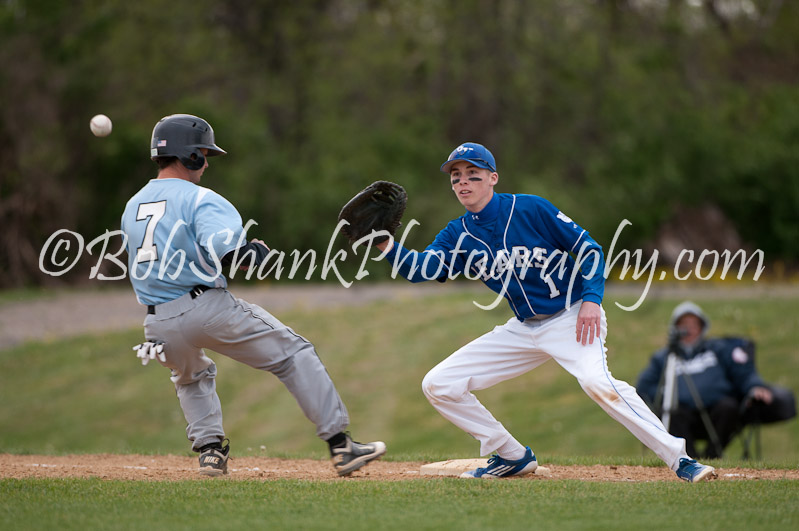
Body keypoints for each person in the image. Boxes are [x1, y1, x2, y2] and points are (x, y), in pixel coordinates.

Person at [373, 142, 714, 482]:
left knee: (598, 383)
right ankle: (511, 455)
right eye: (456, 177)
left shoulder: (530, 209)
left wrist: (592, 300)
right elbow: (422, 269)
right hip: (524, 329)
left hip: (572, 317)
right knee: (439, 384)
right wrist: (385, 242)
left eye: (472, 175)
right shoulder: (458, 233)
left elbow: (588, 249)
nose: (463, 183)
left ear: (493, 178)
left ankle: (681, 460)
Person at [121, 114, 385, 477]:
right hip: (206, 308)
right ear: (190, 156)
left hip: (157, 322)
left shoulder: (133, 205)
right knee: (293, 353)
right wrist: (256, 252)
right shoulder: (202, 199)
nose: (206, 162)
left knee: (190, 377)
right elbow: (234, 257)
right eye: (203, 153)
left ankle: (211, 453)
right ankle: (342, 447)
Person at [637, 301, 796, 459]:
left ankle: (711, 457)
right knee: (671, 412)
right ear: (675, 329)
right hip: (682, 418)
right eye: (684, 324)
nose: (689, 329)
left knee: (728, 407)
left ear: (702, 327)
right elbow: (643, 387)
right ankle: (688, 460)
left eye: (694, 324)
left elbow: (743, 372)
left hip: (718, 414)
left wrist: (754, 387)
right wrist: (667, 394)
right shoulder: (665, 357)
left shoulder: (719, 349)